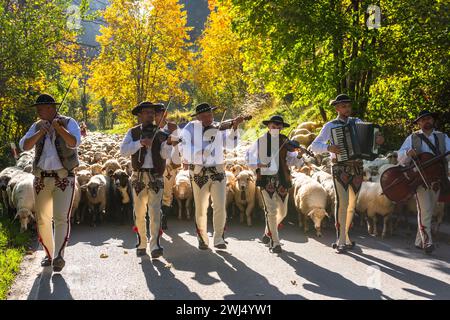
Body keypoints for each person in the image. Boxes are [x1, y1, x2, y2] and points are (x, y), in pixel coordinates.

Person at [310, 94, 384, 253]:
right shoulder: (330, 126)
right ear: (337, 108)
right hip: (339, 167)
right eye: (343, 106)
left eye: (348, 106)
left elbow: (372, 143)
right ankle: (340, 240)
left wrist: (377, 142)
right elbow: (314, 145)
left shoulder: (358, 122)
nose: (347, 109)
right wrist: (329, 148)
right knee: (342, 203)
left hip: (357, 167)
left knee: (352, 205)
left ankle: (346, 236)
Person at [19, 93, 81, 272]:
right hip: (41, 177)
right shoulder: (37, 125)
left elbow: (74, 142)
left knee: (61, 217)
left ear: (51, 108)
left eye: (41, 109)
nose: (38, 112)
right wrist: (41, 131)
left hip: (63, 177)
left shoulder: (69, 122)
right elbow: (25, 146)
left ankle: (59, 256)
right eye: (38, 109)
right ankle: (48, 253)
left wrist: (59, 129)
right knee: (42, 219)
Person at [180, 103, 243, 250]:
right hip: (199, 171)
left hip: (218, 171)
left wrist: (234, 127)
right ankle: (202, 237)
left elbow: (231, 145)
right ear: (197, 118)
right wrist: (201, 152)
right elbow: (184, 148)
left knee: (220, 205)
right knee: (201, 207)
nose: (208, 119)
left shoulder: (218, 127)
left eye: (210, 115)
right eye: (204, 117)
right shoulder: (189, 128)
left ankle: (219, 237)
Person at [120, 102, 175, 258]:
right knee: (139, 212)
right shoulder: (133, 132)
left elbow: (166, 155)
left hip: (156, 175)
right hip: (138, 175)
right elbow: (123, 151)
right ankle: (141, 243)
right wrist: (140, 143)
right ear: (140, 115)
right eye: (146, 112)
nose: (150, 115)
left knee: (155, 211)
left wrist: (168, 143)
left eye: (152, 112)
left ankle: (155, 245)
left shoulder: (161, 133)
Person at [246, 115, 304, 254]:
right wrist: (258, 164)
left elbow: (291, 161)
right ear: (268, 127)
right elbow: (248, 157)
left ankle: (268, 232)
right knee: (271, 211)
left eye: (279, 127)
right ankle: (275, 242)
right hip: (266, 180)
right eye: (273, 127)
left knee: (282, 212)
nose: (276, 129)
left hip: (283, 179)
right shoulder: (260, 141)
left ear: (282, 128)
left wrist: (300, 156)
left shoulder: (285, 141)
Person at [398, 110, 450, 254]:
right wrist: (408, 154)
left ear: (432, 120)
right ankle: (427, 242)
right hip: (419, 180)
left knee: (429, 211)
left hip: (437, 180)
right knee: (425, 210)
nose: (426, 121)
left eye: (428, 119)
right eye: (423, 120)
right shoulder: (412, 138)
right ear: (419, 123)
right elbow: (400, 158)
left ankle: (418, 241)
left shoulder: (442, 137)